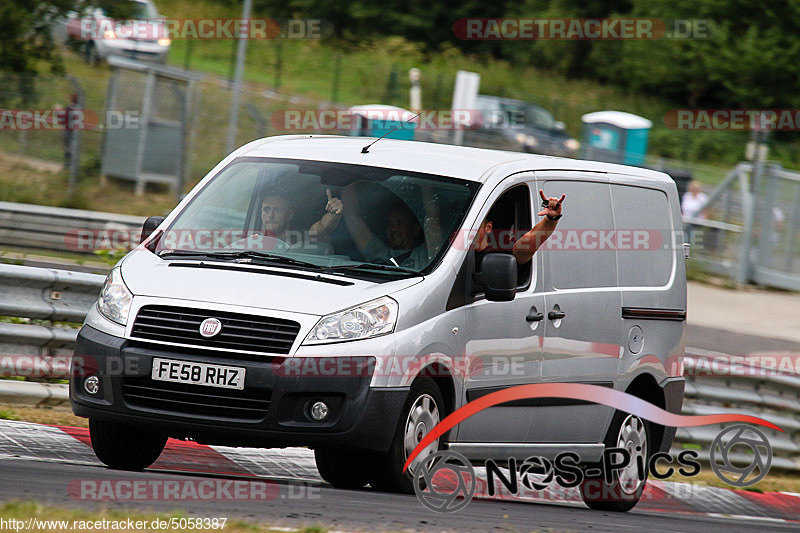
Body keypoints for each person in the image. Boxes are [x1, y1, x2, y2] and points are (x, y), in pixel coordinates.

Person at [342, 184, 433, 269]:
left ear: (415, 229)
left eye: (399, 223)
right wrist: (348, 180)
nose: (393, 228)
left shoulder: (424, 254)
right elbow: (351, 217)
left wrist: (427, 183)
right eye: (390, 223)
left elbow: (432, 216)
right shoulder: (378, 252)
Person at [473, 189, 565, 267]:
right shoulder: (460, 251)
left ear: (488, 227)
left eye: (475, 226)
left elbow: (529, 242)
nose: (469, 232)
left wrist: (551, 219)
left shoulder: (500, 255)